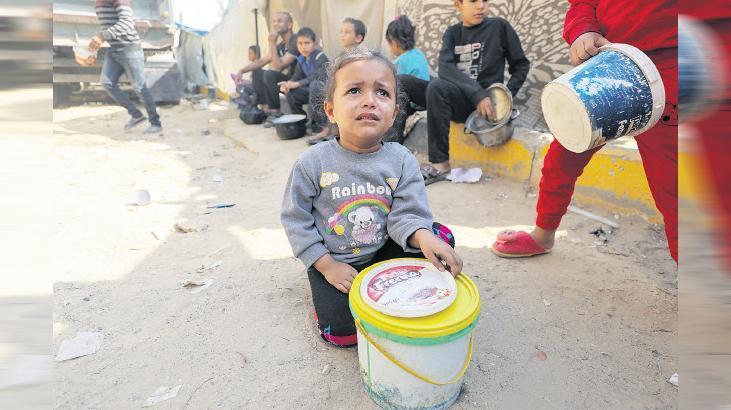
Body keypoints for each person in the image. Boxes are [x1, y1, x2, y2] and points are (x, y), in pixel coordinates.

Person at [281, 48, 461, 347]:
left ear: (393, 113)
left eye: (382, 93)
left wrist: (423, 236)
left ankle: (393, 280)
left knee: (440, 238)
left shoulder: (401, 160)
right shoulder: (312, 163)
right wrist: (325, 265)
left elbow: (407, 214)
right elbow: (295, 219)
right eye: (354, 90)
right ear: (330, 110)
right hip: (336, 262)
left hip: (382, 253)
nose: (369, 100)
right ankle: (329, 296)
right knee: (343, 336)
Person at [491, 0, 678, 263]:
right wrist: (581, 31)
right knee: (561, 157)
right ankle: (543, 235)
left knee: (676, 190)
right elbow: (583, 3)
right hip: (608, 66)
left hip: (671, 71)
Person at [415, 0, 530, 184]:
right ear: (458, 5)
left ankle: (440, 164)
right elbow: (445, 68)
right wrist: (477, 93)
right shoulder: (453, 33)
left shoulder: (499, 27)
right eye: (473, 1)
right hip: (460, 99)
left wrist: (504, 98)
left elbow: (521, 65)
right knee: (403, 82)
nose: (480, 6)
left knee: (436, 87)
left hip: (480, 111)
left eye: (485, 0)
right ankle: (387, 149)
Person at [91, 0, 162, 134]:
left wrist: (102, 36)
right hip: (115, 48)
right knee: (107, 83)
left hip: (129, 48)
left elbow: (126, 23)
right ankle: (136, 115)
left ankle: (156, 124)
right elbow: (108, 22)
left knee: (139, 87)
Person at [236, 11, 300, 127]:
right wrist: (241, 71)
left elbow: (279, 65)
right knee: (257, 72)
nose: (275, 24)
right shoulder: (280, 45)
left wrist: (271, 42)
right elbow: (261, 61)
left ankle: (275, 112)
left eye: (279, 21)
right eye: (274, 22)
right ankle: (266, 109)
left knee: (270, 74)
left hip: (297, 81)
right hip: (286, 80)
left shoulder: (296, 41)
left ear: (290, 25)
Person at [385, 14, 430, 143]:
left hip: (414, 103)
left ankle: (392, 142)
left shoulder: (400, 61)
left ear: (394, 43)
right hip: (426, 96)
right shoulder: (418, 53)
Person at [278, 28, 330, 140]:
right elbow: (297, 76)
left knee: (315, 85)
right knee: (291, 92)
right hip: (310, 92)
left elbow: (317, 77)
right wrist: (287, 84)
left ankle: (320, 127)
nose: (303, 47)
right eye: (300, 43)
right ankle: (303, 121)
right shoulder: (301, 59)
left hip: (324, 93)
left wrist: (296, 84)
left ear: (314, 44)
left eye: (307, 43)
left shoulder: (320, 57)